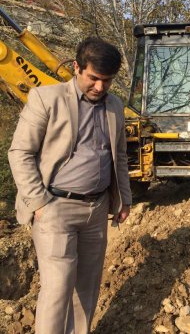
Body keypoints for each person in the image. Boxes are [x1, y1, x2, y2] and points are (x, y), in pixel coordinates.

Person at [8, 37, 132, 334]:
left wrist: (123, 199)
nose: (100, 87)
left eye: (107, 81)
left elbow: (120, 155)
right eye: (93, 78)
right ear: (77, 67)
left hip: (97, 209)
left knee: (87, 289)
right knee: (58, 288)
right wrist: (39, 202)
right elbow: (20, 152)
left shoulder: (115, 106)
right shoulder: (46, 99)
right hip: (55, 208)